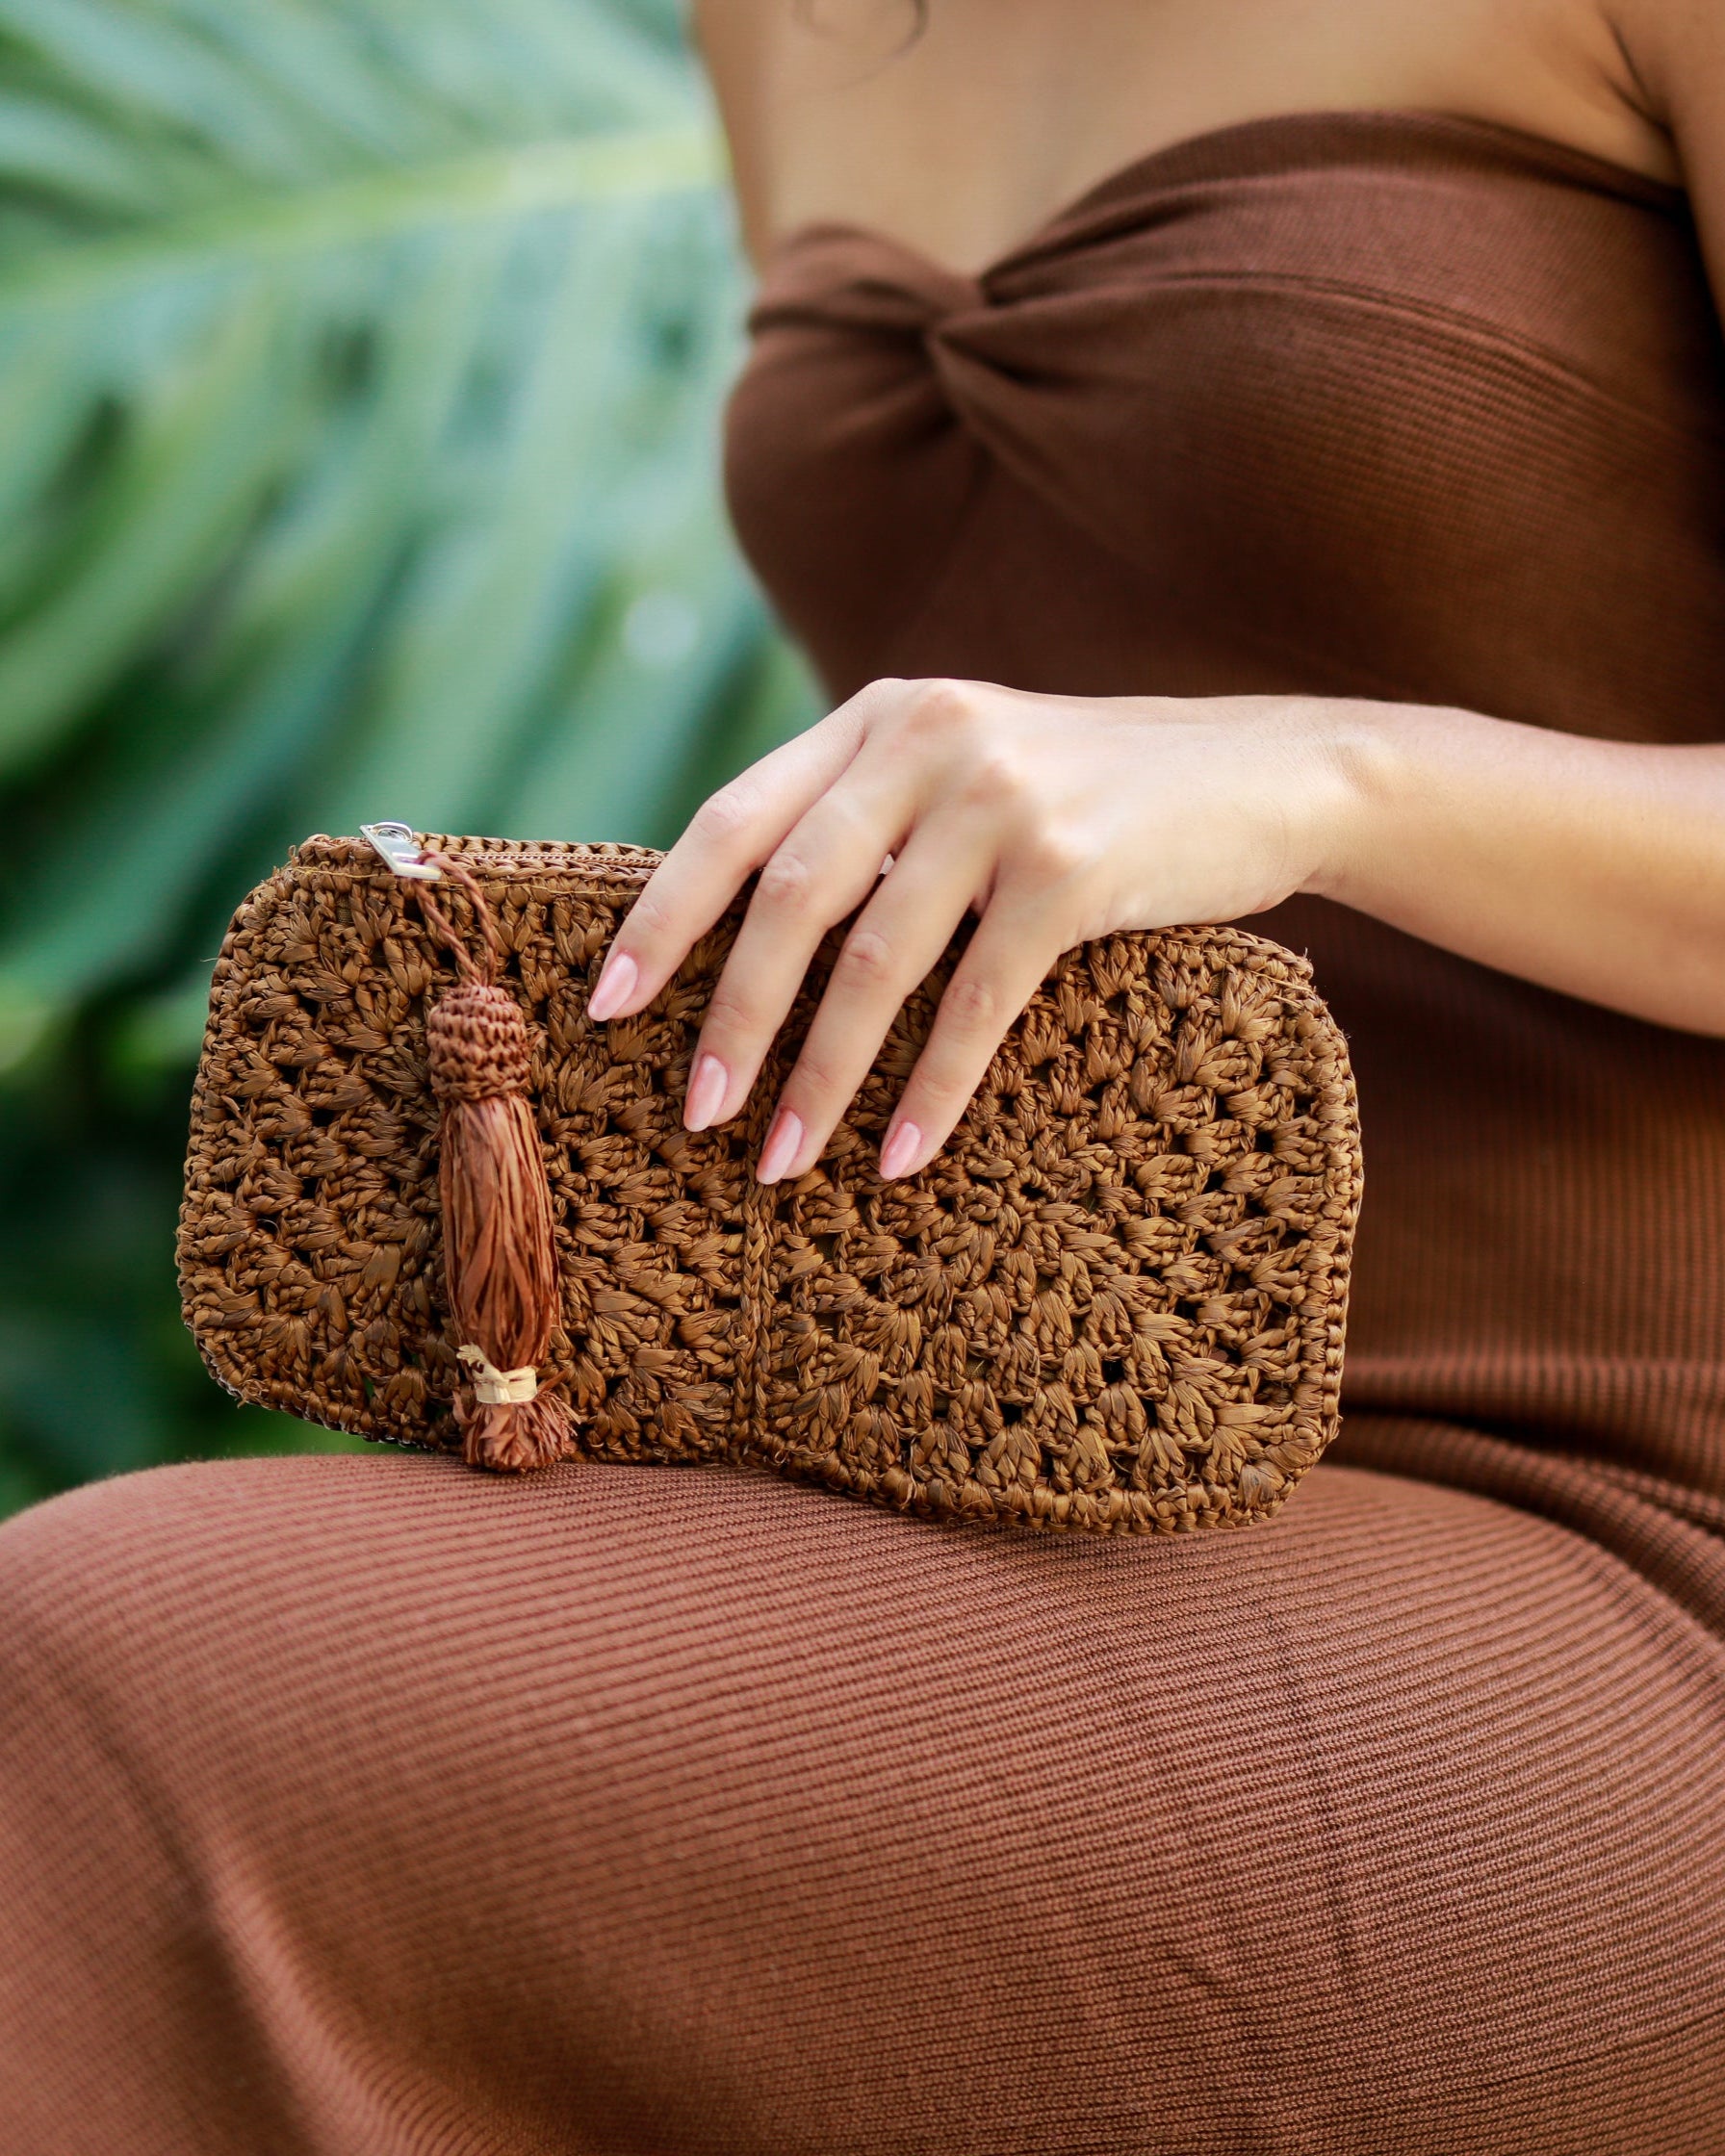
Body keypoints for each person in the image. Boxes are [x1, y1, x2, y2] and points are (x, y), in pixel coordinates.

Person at [3, 1, 1723, 2147]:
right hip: (987, 1435)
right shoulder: (791, 22)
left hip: (1627, 1532)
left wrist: (1328, 775)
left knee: (123, 1688)